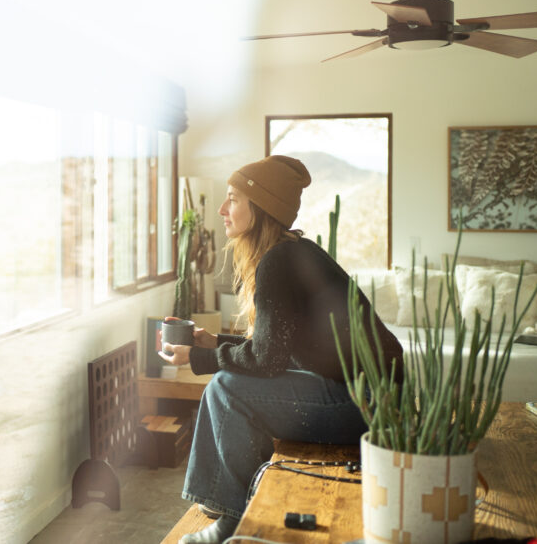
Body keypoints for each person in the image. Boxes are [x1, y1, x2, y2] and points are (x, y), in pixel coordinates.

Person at [158, 155, 403, 544]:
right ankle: (225, 504)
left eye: (233, 198)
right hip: (369, 392)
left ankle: (232, 518)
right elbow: (279, 347)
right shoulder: (292, 252)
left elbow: (267, 360)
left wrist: (198, 358)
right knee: (225, 384)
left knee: (225, 388)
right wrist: (215, 342)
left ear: (261, 206)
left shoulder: (279, 261)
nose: (223, 209)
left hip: (368, 401)